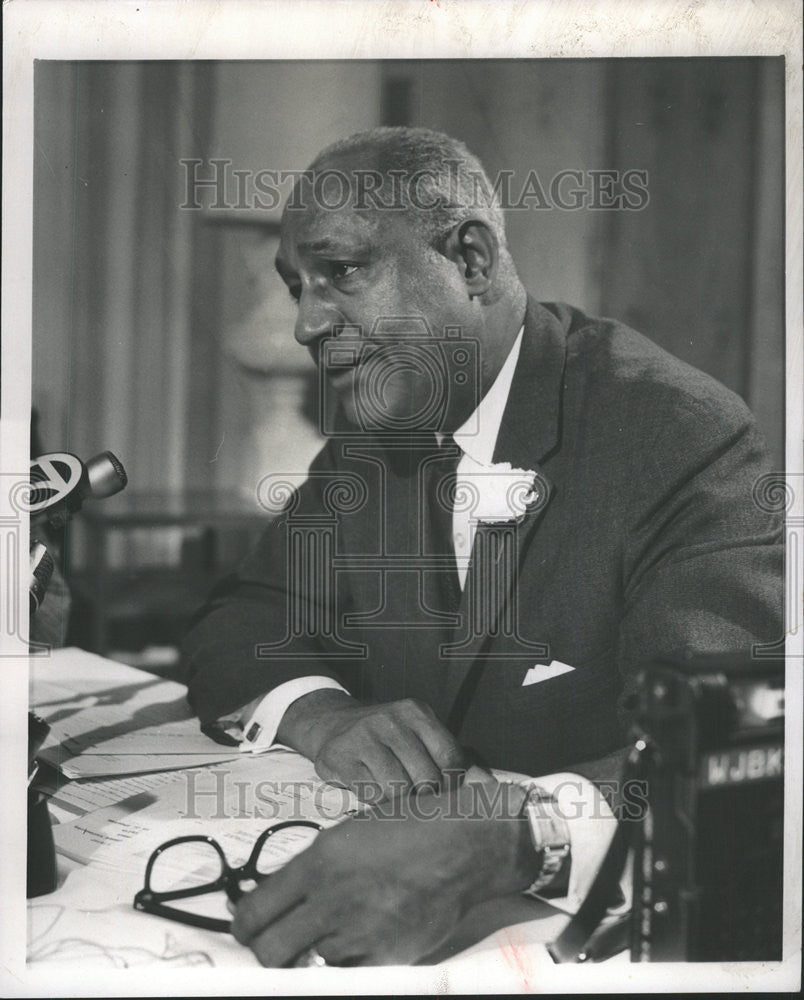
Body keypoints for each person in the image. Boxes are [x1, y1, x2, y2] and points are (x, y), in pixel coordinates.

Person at [182, 127, 783, 965]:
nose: (307, 325)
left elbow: (738, 753)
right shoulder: (372, 438)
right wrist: (320, 713)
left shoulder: (678, 434)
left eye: (342, 272)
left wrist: (511, 834)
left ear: (469, 259)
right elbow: (242, 617)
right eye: (298, 288)